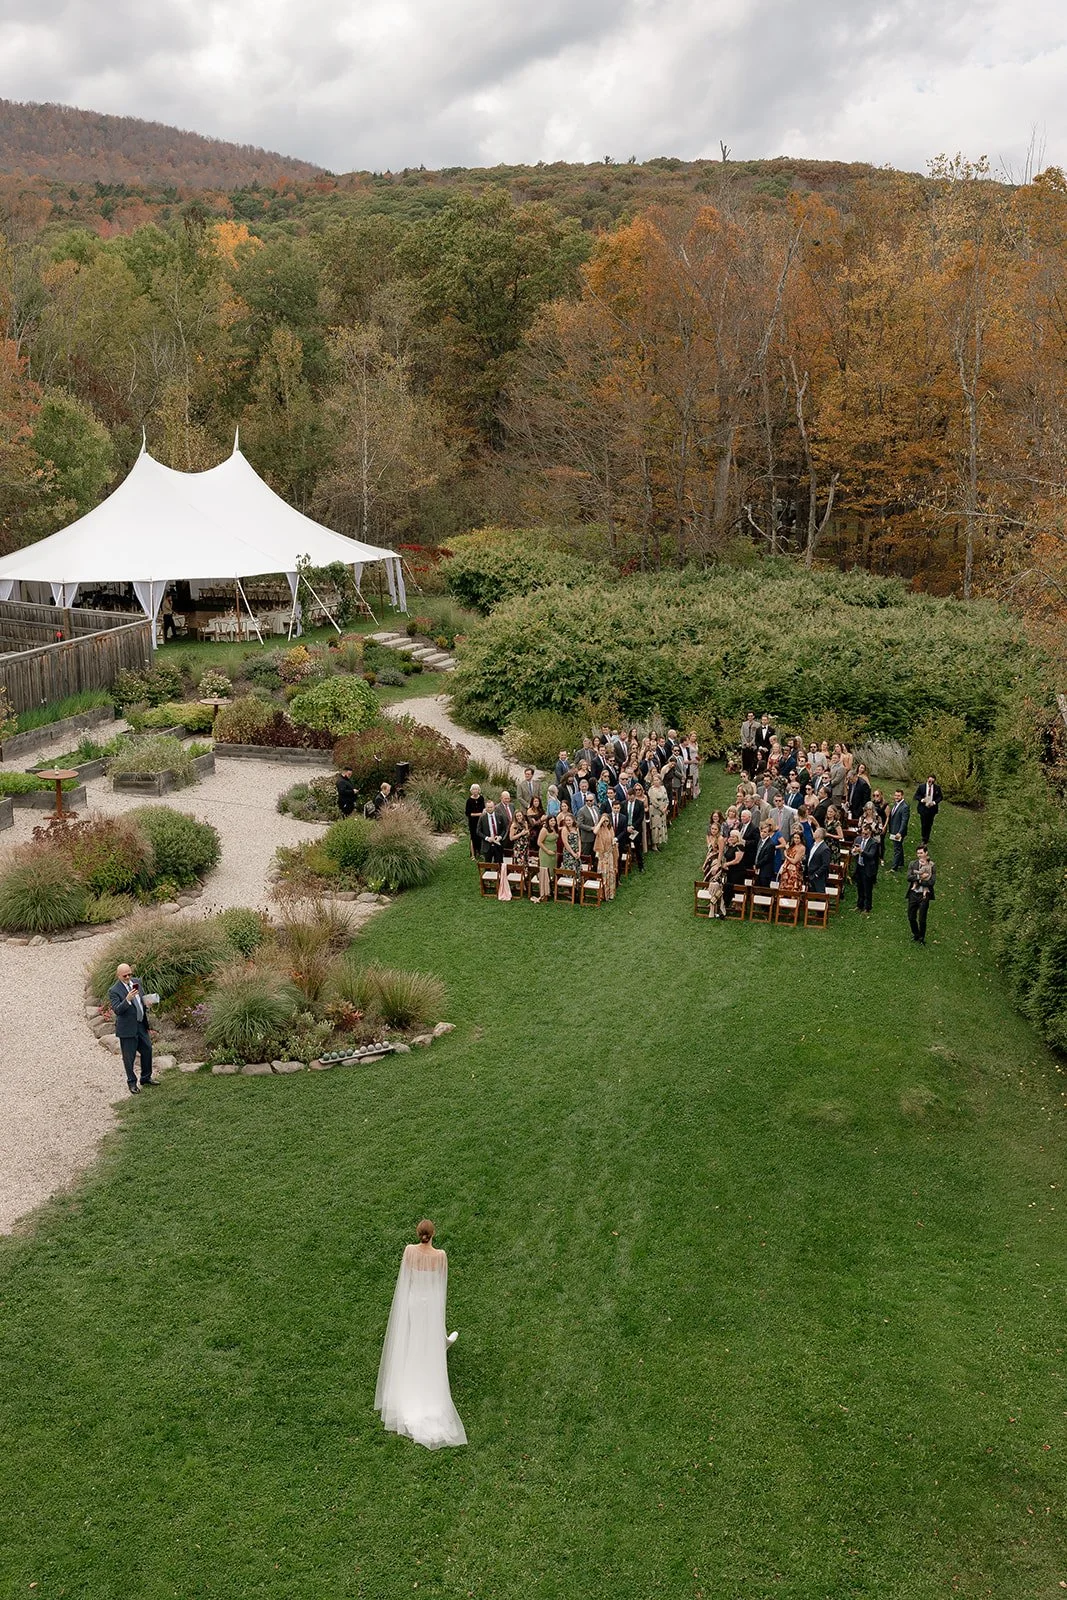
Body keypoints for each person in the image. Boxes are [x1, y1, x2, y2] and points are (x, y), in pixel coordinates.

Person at [375, 1219, 466, 1451]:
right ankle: (438, 1350)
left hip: (415, 1303)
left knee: (415, 1339)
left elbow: (406, 1281)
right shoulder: (441, 1256)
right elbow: (441, 1286)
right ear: (433, 1234)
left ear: (418, 1234)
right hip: (431, 1304)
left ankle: (413, 1379)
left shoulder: (409, 1252)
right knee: (428, 1341)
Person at [108, 963, 156, 1094]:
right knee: (129, 1058)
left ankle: (146, 1078)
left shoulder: (137, 982)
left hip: (140, 1024)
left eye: (130, 974)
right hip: (127, 1029)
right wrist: (127, 999)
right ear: (118, 976)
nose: (128, 977)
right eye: (125, 975)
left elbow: (141, 1002)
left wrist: (147, 1004)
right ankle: (132, 1083)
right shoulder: (114, 990)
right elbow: (118, 1010)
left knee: (147, 1050)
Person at [906, 846, 936, 943]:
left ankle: (922, 937)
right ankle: (916, 934)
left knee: (922, 918)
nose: (919, 855)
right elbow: (909, 877)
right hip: (913, 894)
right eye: (918, 853)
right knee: (911, 916)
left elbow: (931, 882)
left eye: (921, 853)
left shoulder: (931, 865)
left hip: (924, 894)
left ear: (926, 853)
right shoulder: (913, 864)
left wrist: (919, 881)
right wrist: (920, 877)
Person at [851, 822, 880, 914]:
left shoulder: (873, 843)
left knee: (867, 889)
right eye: (862, 833)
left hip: (867, 868)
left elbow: (871, 855)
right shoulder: (858, 839)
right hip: (859, 866)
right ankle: (859, 905)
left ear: (870, 833)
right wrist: (854, 851)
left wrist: (861, 851)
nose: (863, 835)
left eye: (866, 834)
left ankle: (867, 907)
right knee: (859, 887)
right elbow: (853, 849)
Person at [594, 812, 618, 899]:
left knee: (611, 873)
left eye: (607, 821)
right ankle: (602, 894)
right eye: (604, 821)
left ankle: (610, 894)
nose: (605, 823)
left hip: (610, 854)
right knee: (603, 874)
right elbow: (594, 831)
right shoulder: (599, 829)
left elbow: (613, 839)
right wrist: (601, 821)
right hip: (602, 856)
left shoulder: (610, 828)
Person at [915, 775, 943, 846]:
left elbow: (940, 797)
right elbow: (916, 796)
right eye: (929, 781)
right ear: (927, 779)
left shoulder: (937, 788)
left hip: (932, 809)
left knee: (929, 824)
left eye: (932, 782)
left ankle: (927, 837)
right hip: (923, 808)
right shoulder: (921, 787)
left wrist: (933, 803)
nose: (931, 783)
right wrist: (922, 800)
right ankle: (924, 838)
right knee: (924, 823)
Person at [886, 789, 910, 872]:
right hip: (894, 830)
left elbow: (904, 821)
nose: (896, 797)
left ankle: (894, 867)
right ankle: (901, 863)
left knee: (897, 848)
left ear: (902, 796)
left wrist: (900, 832)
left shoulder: (904, 807)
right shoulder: (896, 804)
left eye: (898, 796)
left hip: (899, 832)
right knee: (899, 847)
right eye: (895, 795)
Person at [537, 816, 558, 902]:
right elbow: (539, 842)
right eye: (551, 820)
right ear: (548, 821)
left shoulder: (555, 829)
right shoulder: (544, 830)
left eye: (554, 820)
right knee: (546, 871)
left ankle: (551, 890)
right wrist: (547, 851)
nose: (553, 822)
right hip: (545, 853)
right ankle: (544, 892)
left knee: (552, 872)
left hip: (554, 853)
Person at [806, 827, 832, 892]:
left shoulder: (825, 849)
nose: (813, 833)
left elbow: (825, 864)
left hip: (818, 877)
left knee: (819, 895)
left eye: (815, 832)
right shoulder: (814, 845)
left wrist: (816, 874)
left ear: (818, 835)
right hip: (810, 873)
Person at [465, 785, 485, 858]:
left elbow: (483, 809)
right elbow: (468, 813)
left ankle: (480, 852)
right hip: (472, 822)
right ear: (471, 791)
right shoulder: (469, 800)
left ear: (478, 790)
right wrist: (479, 814)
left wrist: (482, 814)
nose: (475, 791)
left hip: (481, 821)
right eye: (473, 789)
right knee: (473, 837)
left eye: (476, 789)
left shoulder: (481, 798)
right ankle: (473, 855)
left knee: (480, 836)